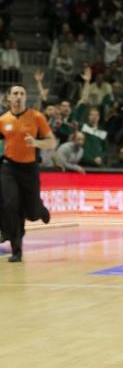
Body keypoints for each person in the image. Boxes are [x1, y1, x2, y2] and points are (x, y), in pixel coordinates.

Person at [0, 85, 56, 262]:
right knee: (10, 205)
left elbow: (51, 142)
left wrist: (36, 143)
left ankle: (39, 208)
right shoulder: (3, 120)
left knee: (31, 213)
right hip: (9, 168)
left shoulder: (36, 117)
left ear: (26, 98)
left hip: (29, 169)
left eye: (22, 94)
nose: (19, 97)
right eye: (15, 94)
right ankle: (16, 250)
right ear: (9, 98)